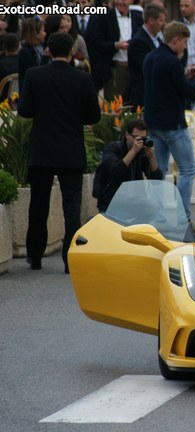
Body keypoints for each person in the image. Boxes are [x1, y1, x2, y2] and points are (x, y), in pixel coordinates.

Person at [17, 31, 101, 273]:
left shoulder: (35, 75)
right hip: (71, 149)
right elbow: (93, 115)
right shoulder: (83, 79)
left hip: (42, 148)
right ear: (72, 50)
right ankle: (69, 257)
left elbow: (24, 110)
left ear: (49, 50)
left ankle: (35, 255)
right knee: (72, 205)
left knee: (38, 203)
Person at [143, 21, 195, 231]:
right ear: (176, 40)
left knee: (158, 172)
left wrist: (185, 75)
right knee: (188, 170)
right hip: (173, 125)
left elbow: (167, 86)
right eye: (185, 42)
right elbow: (187, 92)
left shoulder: (151, 57)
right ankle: (183, 219)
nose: (185, 47)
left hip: (154, 124)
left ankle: (159, 219)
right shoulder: (171, 62)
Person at [94, 118, 164, 212]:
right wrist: (133, 151)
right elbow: (116, 172)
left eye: (143, 138)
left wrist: (151, 156)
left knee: (158, 212)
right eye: (136, 137)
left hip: (135, 202)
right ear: (127, 135)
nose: (139, 141)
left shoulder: (142, 152)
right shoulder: (113, 149)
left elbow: (157, 180)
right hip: (111, 202)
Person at [97, 0, 143, 101]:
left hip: (134, 71)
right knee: (114, 108)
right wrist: (116, 45)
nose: (120, 2)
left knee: (134, 108)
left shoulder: (138, 18)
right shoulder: (105, 17)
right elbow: (97, 43)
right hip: (115, 70)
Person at [127, 3, 167, 109]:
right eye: (161, 20)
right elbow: (147, 67)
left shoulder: (158, 39)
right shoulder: (138, 41)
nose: (164, 24)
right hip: (143, 96)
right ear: (151, 20)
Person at [17, 18, 48, 92]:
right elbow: (36, 73)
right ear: (35, 33)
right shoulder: (25, 52)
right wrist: (46, 56)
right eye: (43, 31)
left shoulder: (41, 47)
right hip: (30, 92)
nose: (45, 34)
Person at [0, 32, 19, 101]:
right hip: (18, 101)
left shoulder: (2, 65)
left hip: (2, 101)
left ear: (4, 47)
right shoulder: (23, 64)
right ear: (18, 46)